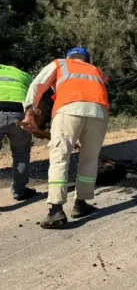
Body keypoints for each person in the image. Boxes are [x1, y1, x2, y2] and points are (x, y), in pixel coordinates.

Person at [20, 47, 110, 229]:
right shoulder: (95, 70)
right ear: (87, 59)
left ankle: (55, 211)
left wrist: (30, 113)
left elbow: (37, 85)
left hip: (69, 109)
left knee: (60, 156)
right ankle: (81, 204)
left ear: (69, 57)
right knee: (90, 159)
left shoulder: (60, 64)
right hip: (99, 113)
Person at [0, 58, 38, 201]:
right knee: (21, 154)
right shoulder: (24, 75)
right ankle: (20, 191)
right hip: (20, 115)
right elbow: (36, 94)